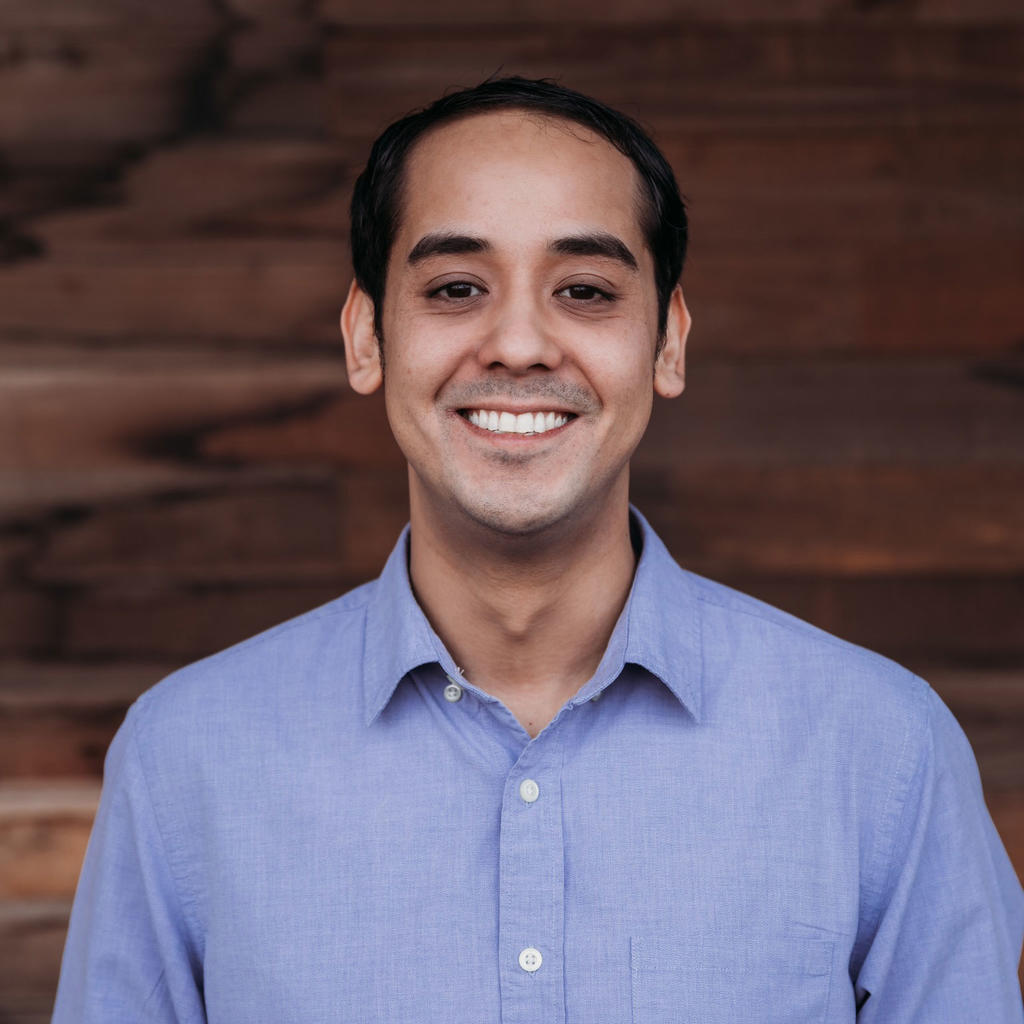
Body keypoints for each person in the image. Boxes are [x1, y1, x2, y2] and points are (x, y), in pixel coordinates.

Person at [53, 76, 1023, 1023]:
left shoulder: (881, 749)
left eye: (587, 290)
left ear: (668, 343)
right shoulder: (185, 757)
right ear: (365, 338)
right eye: (456, 287)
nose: (518, 342)